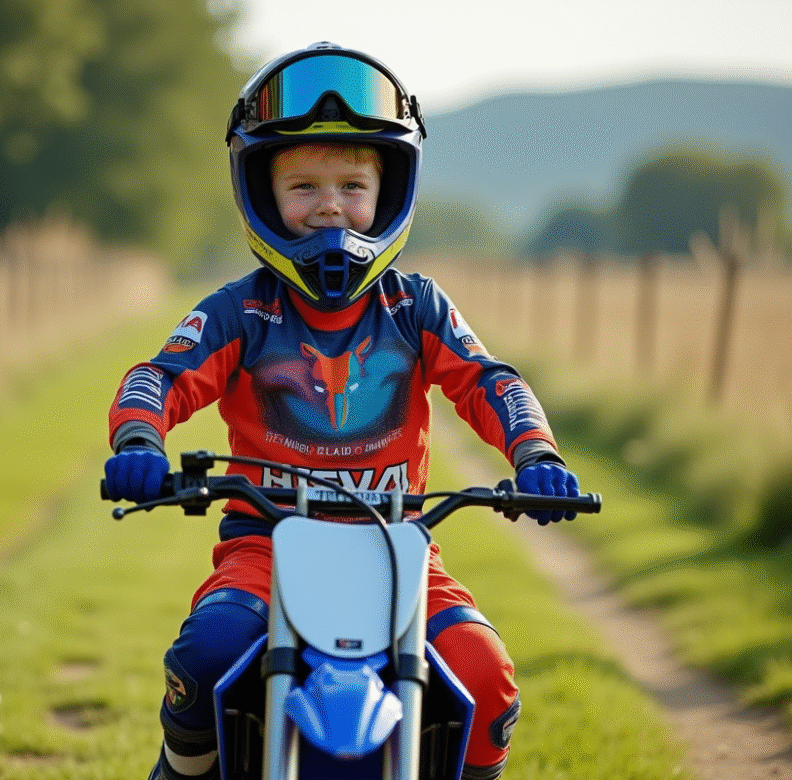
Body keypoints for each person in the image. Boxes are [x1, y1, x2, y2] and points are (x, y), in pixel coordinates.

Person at [105, 42, 581, 780]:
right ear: (261, 196)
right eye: (302, 185)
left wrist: (536, 457)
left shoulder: (416, 306)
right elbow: (158, 378)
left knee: (486, 680)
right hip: (265, 546)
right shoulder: (241, 311)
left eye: (353, 184)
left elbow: (490, 382)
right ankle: (181, 770)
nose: (330, 204)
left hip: (401, 553)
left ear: (389, 193)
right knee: (204, 657)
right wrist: (139, 442)